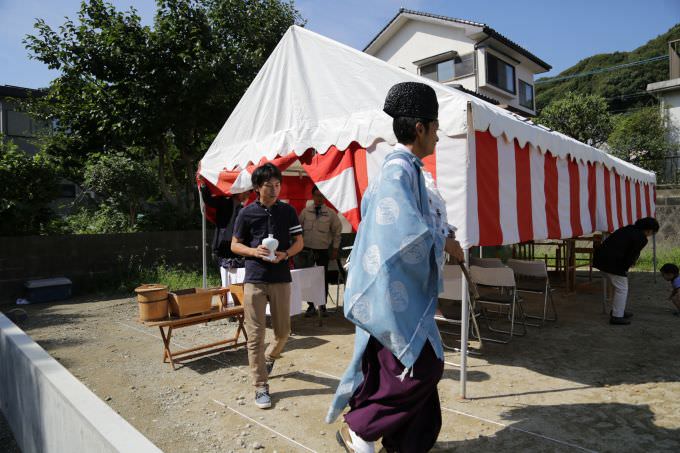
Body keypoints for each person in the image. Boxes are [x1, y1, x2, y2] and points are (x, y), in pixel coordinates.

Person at [326, 81, 464, 453]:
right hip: (390, 295)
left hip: (398, 289)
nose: (437, 136)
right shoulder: (397, 171)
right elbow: (403, 234)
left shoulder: (409, 171)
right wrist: (444, 243)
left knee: (411, 388)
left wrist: (441, 233)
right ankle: (361, 427)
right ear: (420, 128)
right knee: (419, 372)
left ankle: (401, 445)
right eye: (435, 128)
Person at [231, 163, 304, 409]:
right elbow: (234, 245)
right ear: (257, 188)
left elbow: (299, 242)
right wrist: (253, 251)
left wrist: (286, 254)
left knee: (283, 332)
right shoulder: (246, 213)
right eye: (269, 186)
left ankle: (271, 357)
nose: (274, 190)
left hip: (281, 277)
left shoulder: (288, 211)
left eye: (277, 185)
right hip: (255, 279)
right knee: (255, 335)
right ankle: (260, 386)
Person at [593, 217, 659, 325]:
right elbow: (631, 255)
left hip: (601, 259)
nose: (651, 234)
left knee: (619, 287)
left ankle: (617, 311)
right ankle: (616, 316)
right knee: (622, 289)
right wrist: (625, 269)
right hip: (613, 263)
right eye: (652, 232)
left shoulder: (627, 229)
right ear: (649, 230)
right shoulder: (641, 238)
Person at [296, 185, 343, 317]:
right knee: (307, 279)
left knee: (323, 278)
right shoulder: (305, 212)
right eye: (317, 195)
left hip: (322, 251)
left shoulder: (331, 214)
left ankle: (322, 306)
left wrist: (335, 248)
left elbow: (337, 232)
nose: (319, 198)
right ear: (312, 196)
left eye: (322, 195)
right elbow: (298, 230)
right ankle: (311, 306)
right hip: (306, 250)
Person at [200, 184, 251, 298]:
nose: (246, 196)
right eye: (245, 193)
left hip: (236, 246)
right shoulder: (225, 202)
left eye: (248, 194)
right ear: (238, 191)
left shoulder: (245, 209)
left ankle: (236, 301)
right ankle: (225, 303)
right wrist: (204, 185)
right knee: (223, 276)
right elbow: (209, 200)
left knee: (237, 276)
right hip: (222, 244)